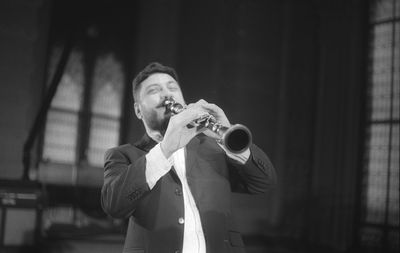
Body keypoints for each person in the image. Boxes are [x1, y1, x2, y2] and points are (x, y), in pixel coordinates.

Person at [101, 62, 277, 253]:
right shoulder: (122, 155)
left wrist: (230, 141)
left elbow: (264, 183)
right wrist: (166, 148)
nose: (167, 95)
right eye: (154, 90)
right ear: (137, 110)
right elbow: (114, 206)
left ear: (183, 101)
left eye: (172, 88)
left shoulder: (214, 149)